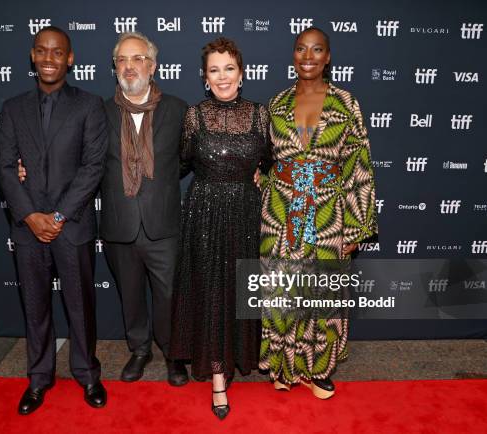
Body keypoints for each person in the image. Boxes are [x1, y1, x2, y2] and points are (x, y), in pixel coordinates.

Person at [19, 32, 189, 387]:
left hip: (164, 223)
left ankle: (174, 355)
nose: (130, 66)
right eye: (122, 60)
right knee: (130, 295)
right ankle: (139, 350)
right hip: (118, 224)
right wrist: (26, 167)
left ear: (153, 66)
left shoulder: (177, 109)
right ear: (115, 67)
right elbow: (74, 160)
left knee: (169, 296)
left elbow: (188, 159)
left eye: (138, 58)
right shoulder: (98, 110)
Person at [258, 27, 378, 399]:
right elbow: (265, 161)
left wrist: (356, 228)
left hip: (328, 211)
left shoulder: (346, 103)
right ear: (293, 55)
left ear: (328, 57)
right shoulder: (275, 104)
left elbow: (359, 166)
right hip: (280, 213)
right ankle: (282, 365)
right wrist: (262, 185)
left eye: (316, 49)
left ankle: (318, 369)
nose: (307, 56)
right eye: (300, 49)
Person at [0, 26, 108, 414]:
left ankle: (88, 373)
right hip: (28, 229)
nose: (48, 58)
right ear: (32, 55)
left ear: (70, 58)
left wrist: (56, 216)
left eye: (57, 52)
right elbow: (5, 169)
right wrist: (30, 215)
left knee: (81, 306)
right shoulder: (13, 107)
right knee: (35, 307)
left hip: (70, 226)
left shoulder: (90, 105)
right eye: (41, 51)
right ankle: (38, 378)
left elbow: (93, 168)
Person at [169, 37, 270, 420]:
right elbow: (177, 165)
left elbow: (275, 162)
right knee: (211, 290)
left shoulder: (261, 115)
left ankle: (243, 357)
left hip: (245, 212)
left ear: (241, 74)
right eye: (214, 70)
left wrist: (261, 178)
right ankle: (217, 379)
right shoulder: (194, 116)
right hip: (205, 213)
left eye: (229, 68)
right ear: (205, 77)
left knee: (240, 288)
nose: (222, 76)